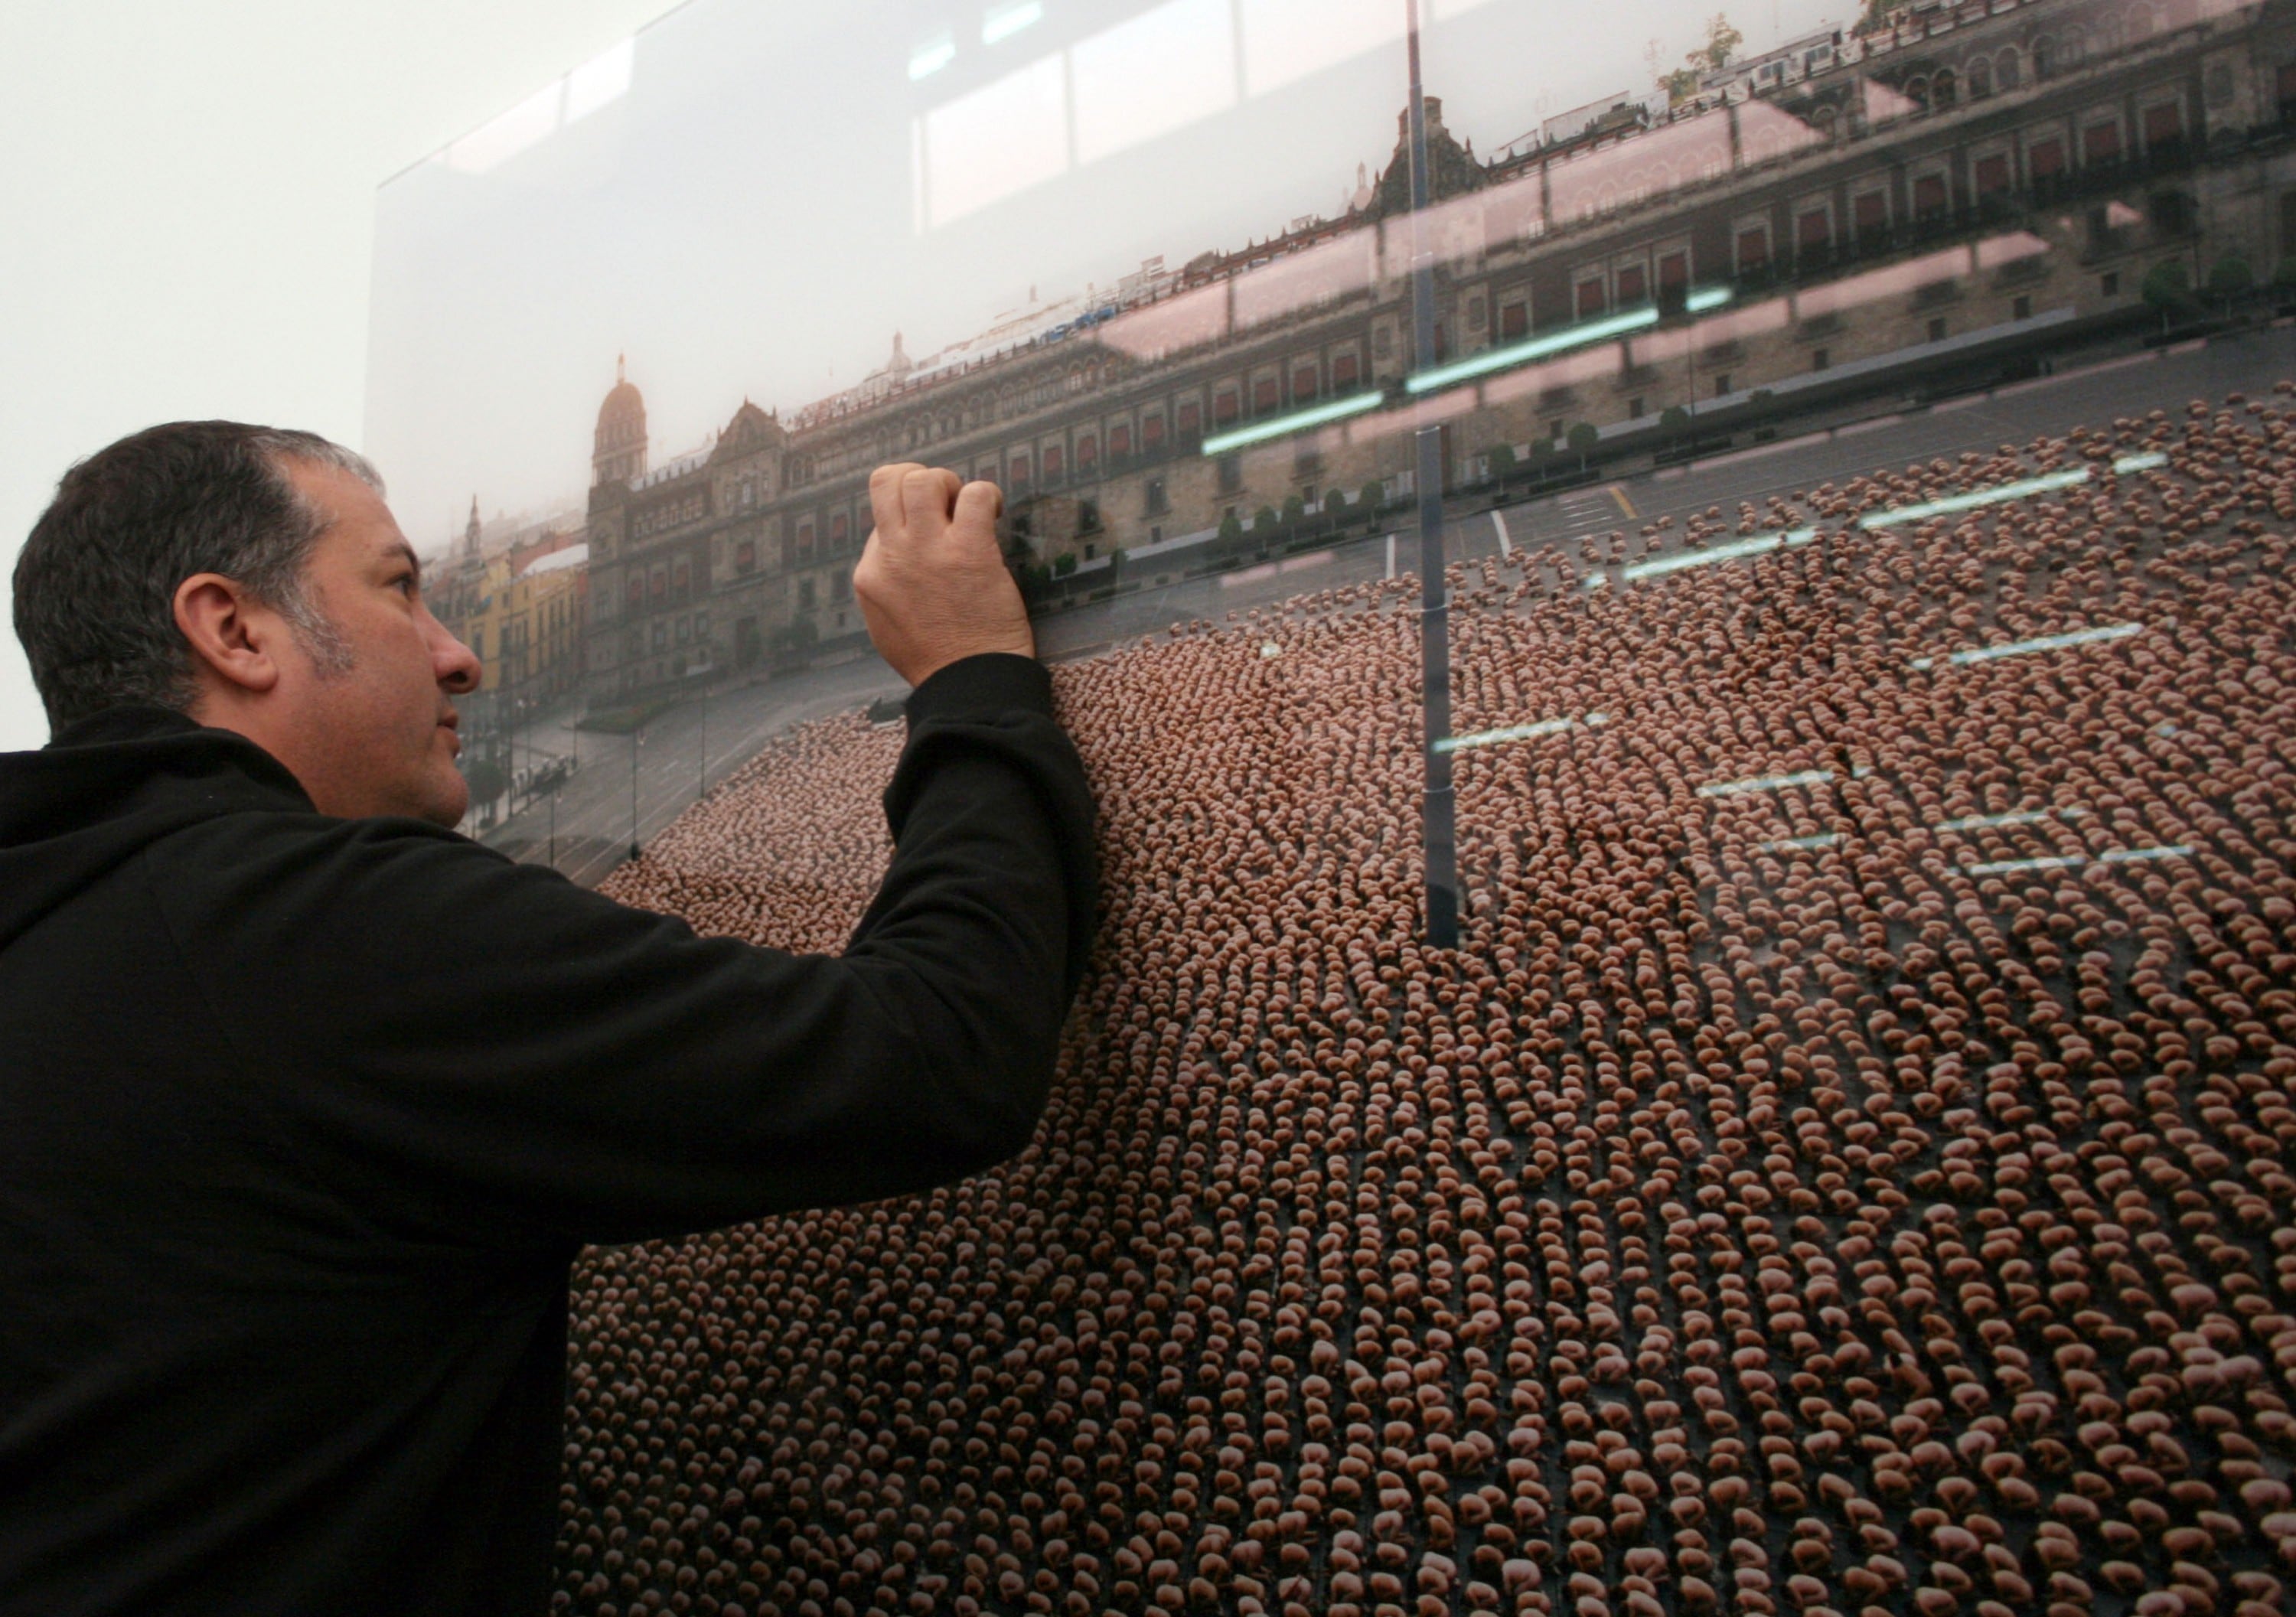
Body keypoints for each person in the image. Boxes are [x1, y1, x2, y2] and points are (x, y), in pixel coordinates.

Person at [0, 421, 1097, 1614]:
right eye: (401, 591)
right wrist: (971, 675)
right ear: (235, 629)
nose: (458, 655)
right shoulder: (329, 934)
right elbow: (936, 1050)